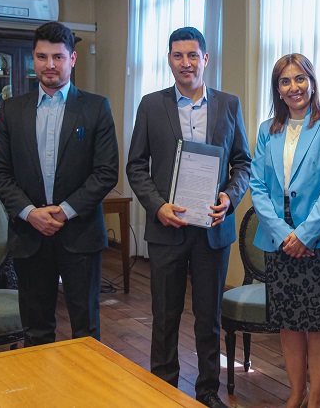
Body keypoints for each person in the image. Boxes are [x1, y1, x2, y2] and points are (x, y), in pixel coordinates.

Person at [126, 27, 251, 408]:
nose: (186, 62)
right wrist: (157, 206)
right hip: (167, 228)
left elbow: (243, 163)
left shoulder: (229, 104)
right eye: (178, 55)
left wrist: (229, 198)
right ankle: (162, 390)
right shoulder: (150, 105)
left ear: (205, 58)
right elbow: (135, 166)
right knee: (164, 316)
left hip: (212, 231)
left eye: (193, 55)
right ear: (169, 59)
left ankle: (208, 392)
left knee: (208, 318)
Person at [0, 21, 119, 346]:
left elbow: (106, 172)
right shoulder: (11, 110)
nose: (50, 65)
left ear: (72, 59)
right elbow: (0, 173)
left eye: (58, 57)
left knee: (86, 332)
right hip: (29, 235)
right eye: (43, 57)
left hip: (81, 234)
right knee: (36, 329)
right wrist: (30, 213)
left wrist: (63, 212)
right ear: (33, 59)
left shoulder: (95, 107)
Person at [250, 53, 320, 408]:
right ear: (277, 90)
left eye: (299, 79)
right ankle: (295, 392)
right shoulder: (267, 130)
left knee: (318, 322)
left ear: (311, 82)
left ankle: (318, 397)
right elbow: (258, 186)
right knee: (288, 321)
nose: (293, 87)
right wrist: (284, 235)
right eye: (284, 81)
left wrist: (305, 235)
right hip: (279, 238)